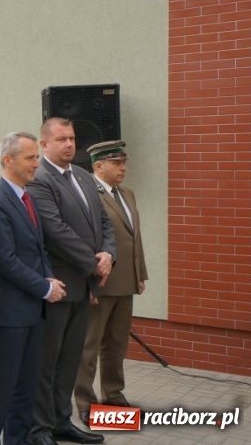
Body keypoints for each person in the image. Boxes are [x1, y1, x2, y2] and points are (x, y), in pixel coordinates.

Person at [26, 118, 115, 445]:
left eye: (72, 138)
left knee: (70, 361)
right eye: (61, 139)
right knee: (47, 362)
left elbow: (104, 222)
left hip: (84, 285)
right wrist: (93, 264)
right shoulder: (40, 179)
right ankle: (39, 429)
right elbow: (55, 230)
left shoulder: (82, 175)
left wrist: (108, 254)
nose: (69, 144)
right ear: (44, 144)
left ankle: (61, 421)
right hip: (59, 286)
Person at [0, 132, 67, 445]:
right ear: (8, 160)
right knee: (2, 388)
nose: (36, 163)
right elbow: (5, 260)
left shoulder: (26, 197)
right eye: (30, 157)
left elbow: (39, 248)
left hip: (33, 312)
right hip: (10, 314)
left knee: (26, 389)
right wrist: (43, 287)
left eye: (35, 157)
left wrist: (49, 278)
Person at [74, 140, 148, 425]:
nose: (123, 168)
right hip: (100, 283)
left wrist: (140, 272)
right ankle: (85, 400)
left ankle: (114, 396)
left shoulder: (126, 193)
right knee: (89, 347)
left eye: (123, 162)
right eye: (116, 163)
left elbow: (134, 237)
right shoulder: (88, 194)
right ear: (98, 166)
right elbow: (84, 240)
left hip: (125, 282)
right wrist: (89, 282)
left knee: (116, 346)